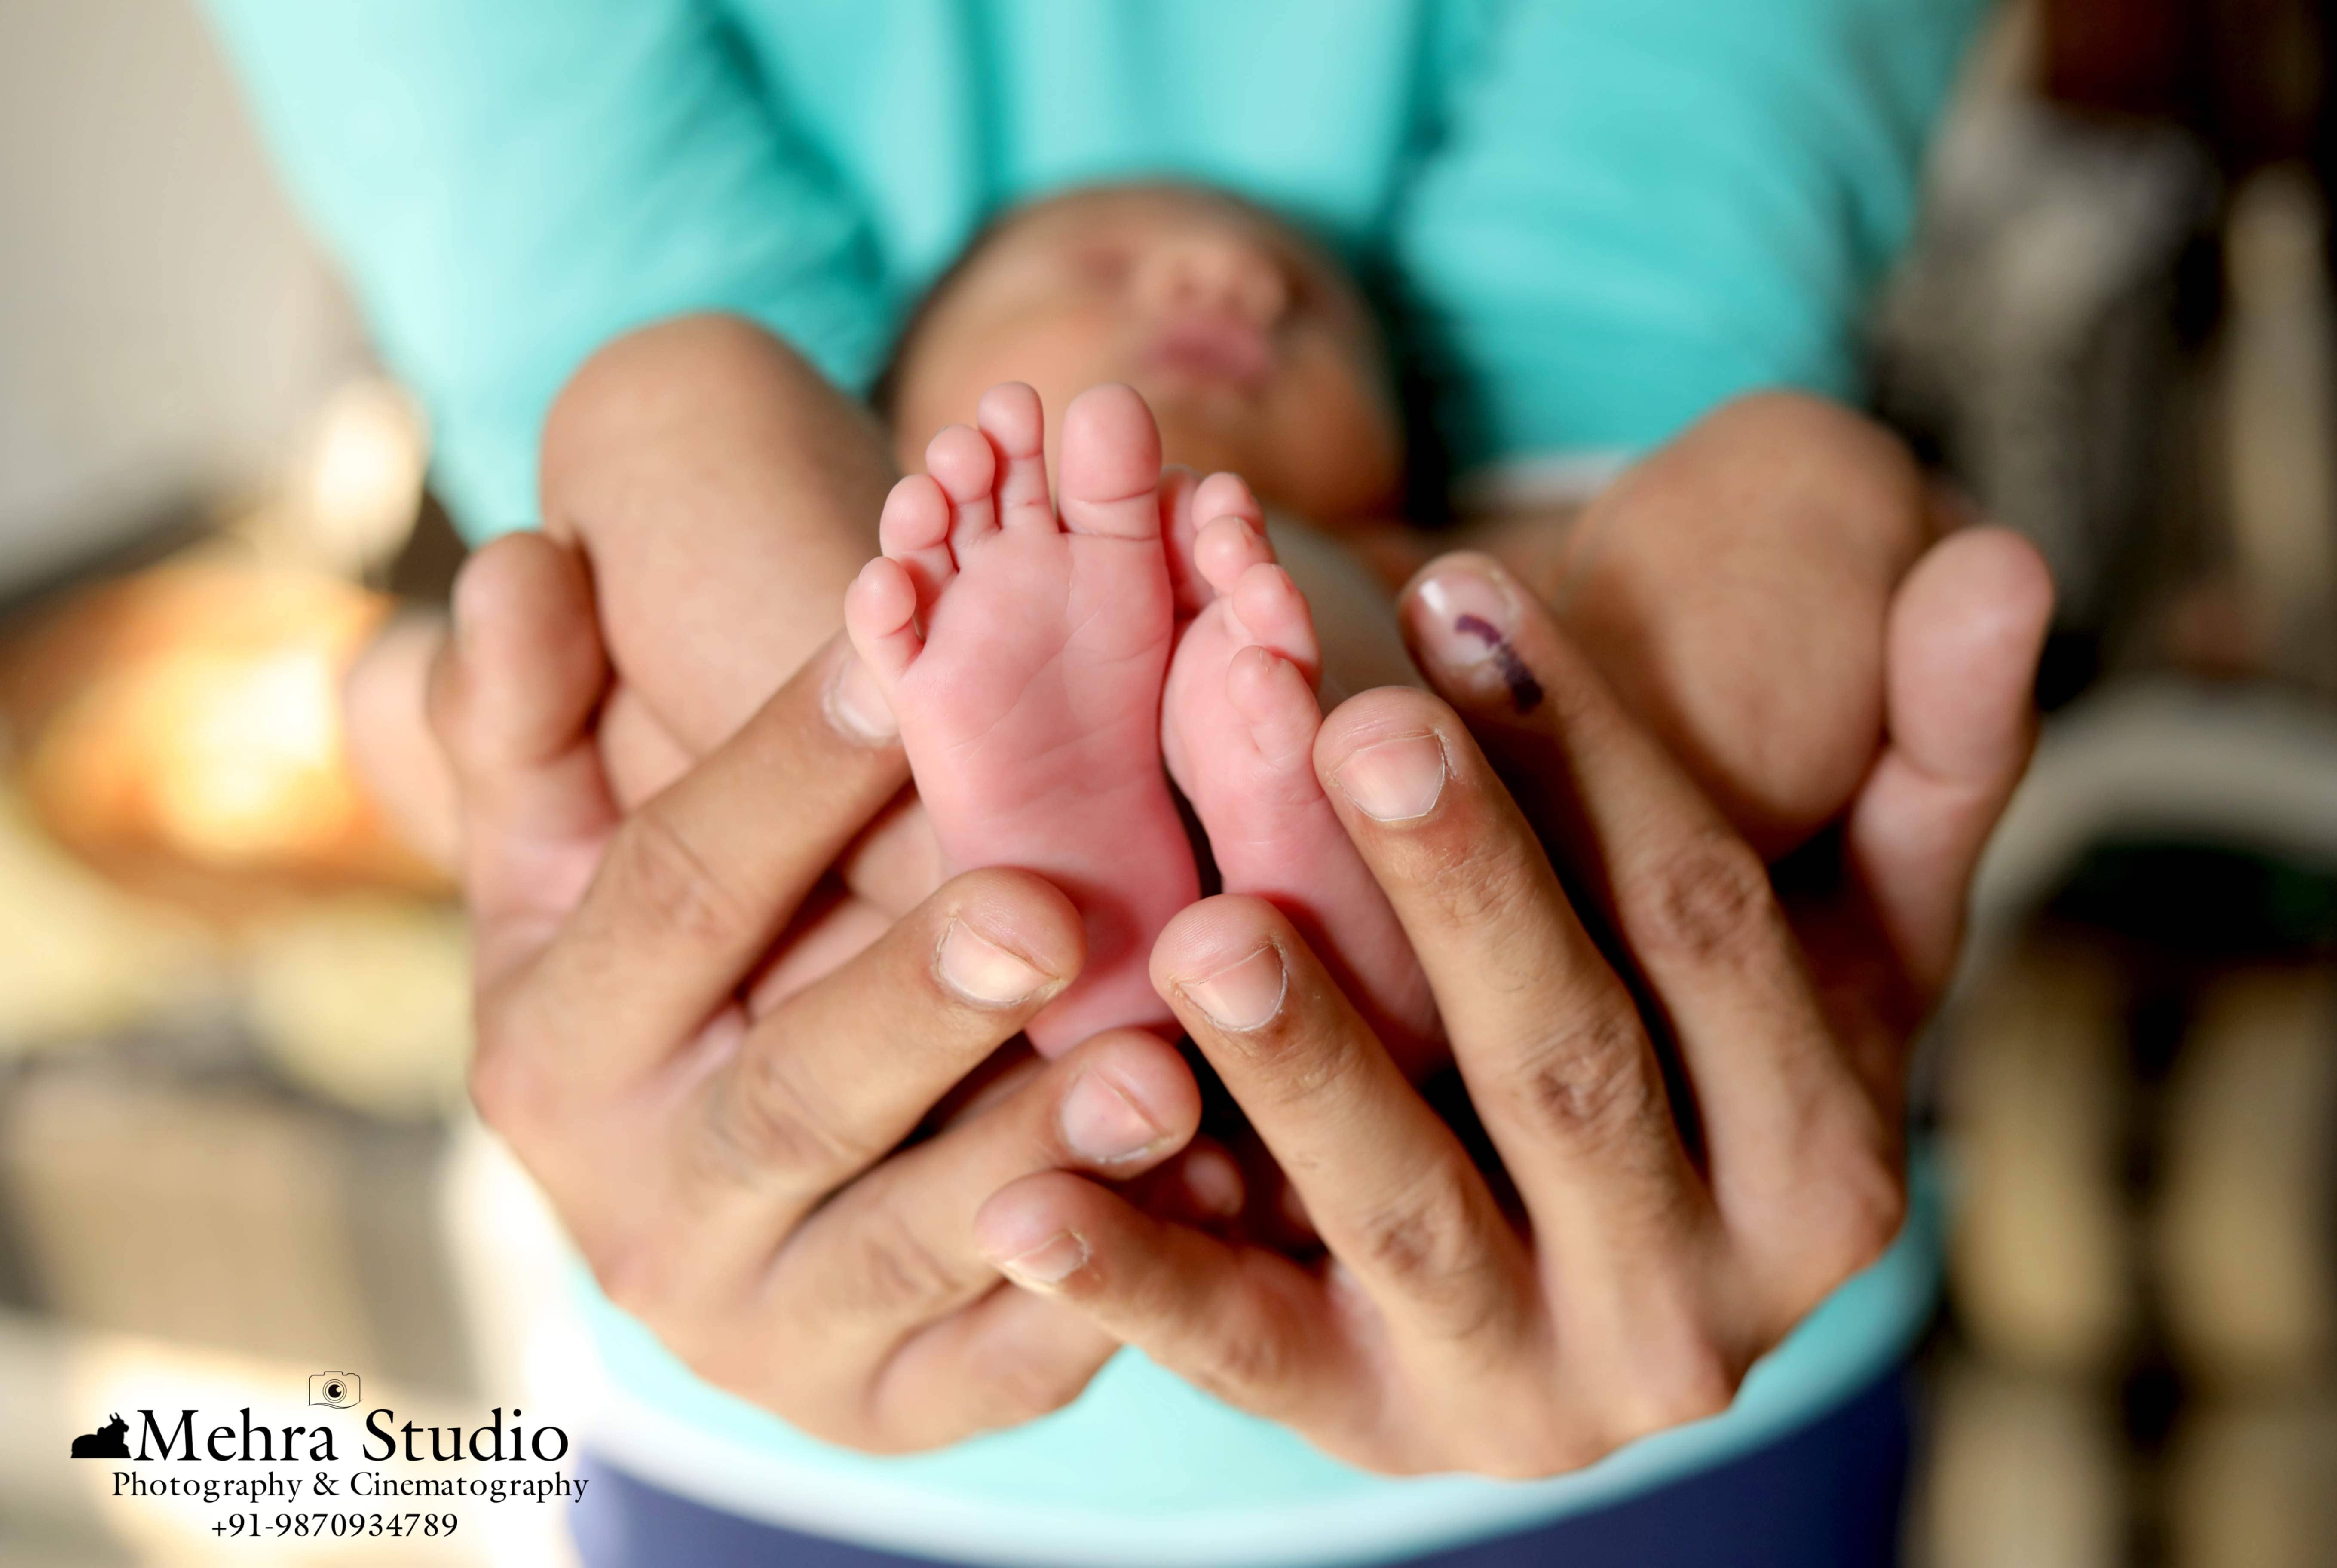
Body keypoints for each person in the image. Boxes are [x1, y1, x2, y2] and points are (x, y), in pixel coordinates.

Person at [202, 1, 2045, 1561]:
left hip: (1585, 1166)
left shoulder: (1459, 547)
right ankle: (999, 823)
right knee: (666, 398)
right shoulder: (856, 492)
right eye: (1088, 268)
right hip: (861, 1345)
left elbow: (1656, 298)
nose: (1227, 275)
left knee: (1791, 472)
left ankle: (1246, 865)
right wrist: (469, 725)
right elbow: (516, 588)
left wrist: (1746, 536)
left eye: (1307, 308)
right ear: (892, 411)